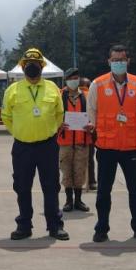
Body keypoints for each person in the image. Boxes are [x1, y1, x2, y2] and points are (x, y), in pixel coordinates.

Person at [87, 45, 136, 243]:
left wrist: (129, 128)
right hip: (106, 147)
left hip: (131, 146)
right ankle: (101, 228)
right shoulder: (97, 85)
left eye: (122, 60)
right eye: (115, 60)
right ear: (108, 62)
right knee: (103, 191)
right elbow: (92, 111)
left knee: (135, 191)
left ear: (128, 61)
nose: (118, 63)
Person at [1, 48, 69, 241]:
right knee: (22, 187)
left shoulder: (52, 88)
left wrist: (50, 131)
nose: (32, 67)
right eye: (28, 64)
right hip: (22, 146)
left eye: (36, 64)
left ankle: (55, 226)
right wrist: (19, 132)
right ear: (23, 67)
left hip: (47, 146)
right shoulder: (12, 90)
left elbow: (59, 114)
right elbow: (6, 116)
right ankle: (24, 225)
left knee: (51, 187)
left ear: (42, 66)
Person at [58, 68, 93, 213]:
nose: (74, 80)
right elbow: (52, 115)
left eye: (76, 77)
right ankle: (68, 201)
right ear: (66, 80)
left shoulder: (87, 95)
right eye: (71, 78)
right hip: (65, 140)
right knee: (66, 170)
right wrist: (57, 124)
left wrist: (92, 124)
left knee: (80, 170)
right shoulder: (58, 96)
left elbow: (94, 114)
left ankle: (78, 200)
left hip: (82, 140)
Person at [80, 77, 97, 191]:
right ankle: (91, 181)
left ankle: (78, 182)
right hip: (91, 129)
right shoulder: (93, 95)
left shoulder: (72, 94)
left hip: (76, 131)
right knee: (90, 157)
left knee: (77, 158)